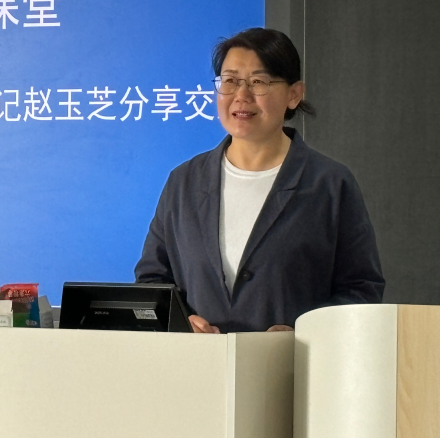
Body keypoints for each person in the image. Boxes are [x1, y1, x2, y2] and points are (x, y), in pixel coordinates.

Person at [134, 28, 384, 333]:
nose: (241, 96)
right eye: (230, 81)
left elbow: (361, 289)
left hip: (294, 361)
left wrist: (307, 333)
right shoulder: (183, 182)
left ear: (294, 94)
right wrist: (181, 322)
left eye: (258, 82)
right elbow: (153, 281)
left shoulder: (330, 184)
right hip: (199, 360)